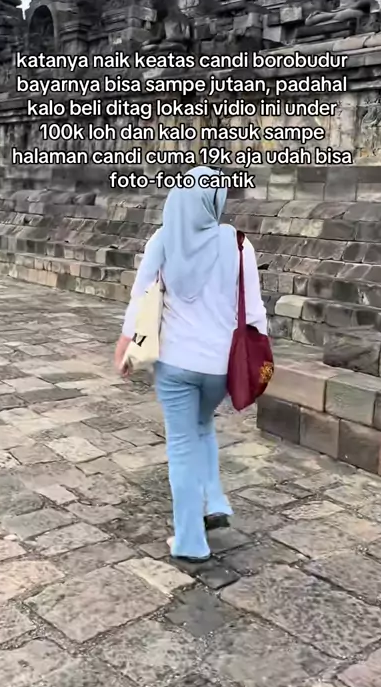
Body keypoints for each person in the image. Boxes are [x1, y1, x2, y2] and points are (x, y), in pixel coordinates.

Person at [114, 165, 268, 563]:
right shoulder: (239, 244)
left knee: (182, 444)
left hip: (175, 363)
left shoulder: (164, 238)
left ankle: (189, 540)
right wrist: (259, 355)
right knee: (203, 426)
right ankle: (214, 500)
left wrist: (125, 344)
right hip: (220, 366)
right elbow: (254, 311)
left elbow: (140, 296)